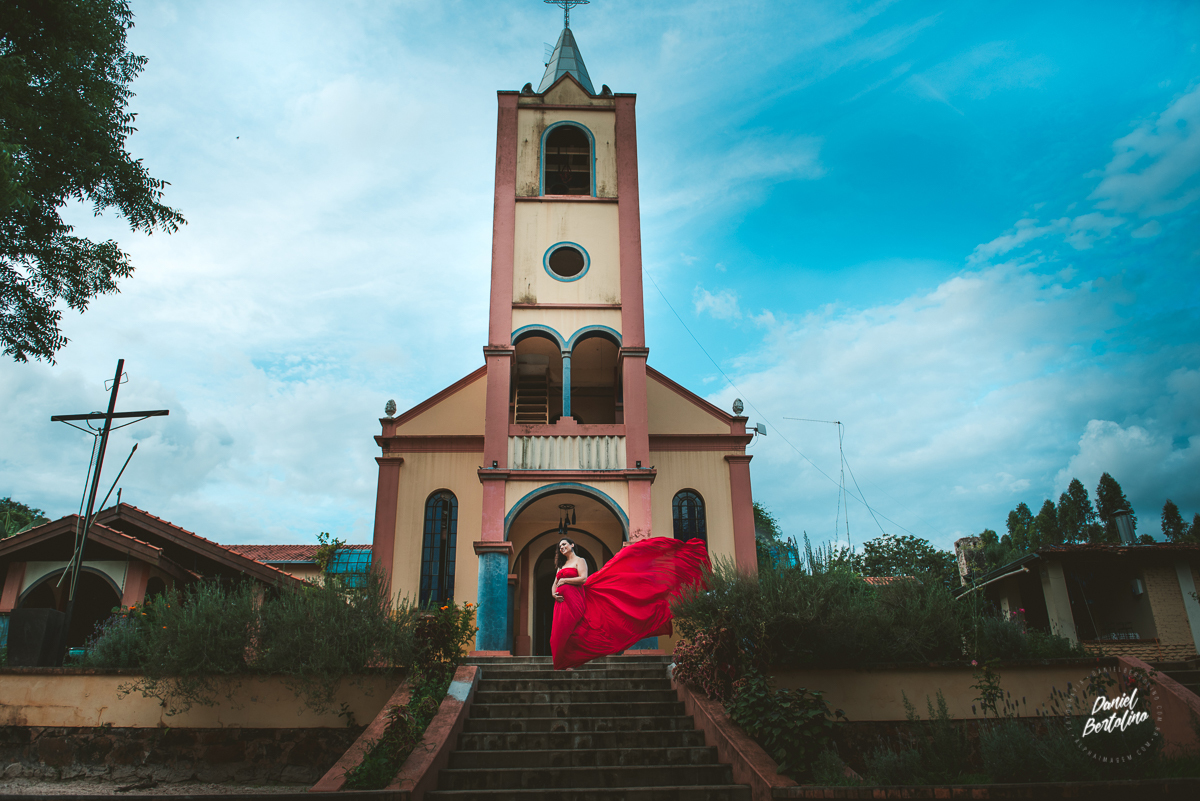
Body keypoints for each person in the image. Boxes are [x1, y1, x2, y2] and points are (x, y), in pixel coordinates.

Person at [550, 536, 710, 670]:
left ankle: (570, 662)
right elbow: (554, 583)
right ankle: (565, 662)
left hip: (576, 600)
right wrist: (553, 592)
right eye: (560, 546)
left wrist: (565, 581)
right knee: (558, 634)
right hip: (561, 603)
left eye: (564, 544)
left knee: (576, 630)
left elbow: (583, 579)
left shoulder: (580, 561)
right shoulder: (561, 566)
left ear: (572, 545)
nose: (562, 547)